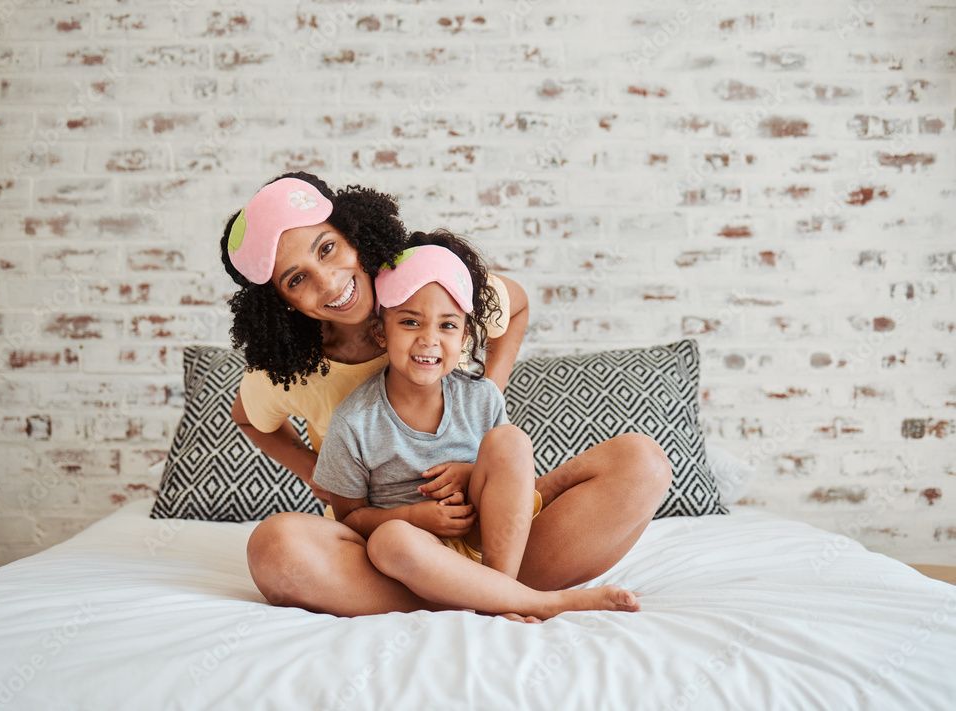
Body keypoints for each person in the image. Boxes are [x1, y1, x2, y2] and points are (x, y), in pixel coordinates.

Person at [225, 171, 673, 617]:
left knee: (644, 463)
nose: (327, 282)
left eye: (328, 248)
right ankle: (510, 599)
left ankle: (489, 588)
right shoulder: (290, 369)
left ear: (353, 233)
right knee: (274, 547)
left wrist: (483, 397)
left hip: (495, 532)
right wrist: (320, 470)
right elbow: (246, 417)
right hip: (385, 553)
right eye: (296, 279)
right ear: (282, 301)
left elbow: (515, 305)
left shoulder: (428, 285)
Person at [312, 239, 640, 619]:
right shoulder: (354, 421)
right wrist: (415, 518)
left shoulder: (480, 397)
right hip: (414, 556)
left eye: (447, 325)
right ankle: (525, 601)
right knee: (389, 540)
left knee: (517, 442)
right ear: (380, 333)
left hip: (494, 543)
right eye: (409, 321)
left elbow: (504, 472)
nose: (428, 338)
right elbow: (351, 519)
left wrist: (469, 475)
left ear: (464, 337)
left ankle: (500, 595)